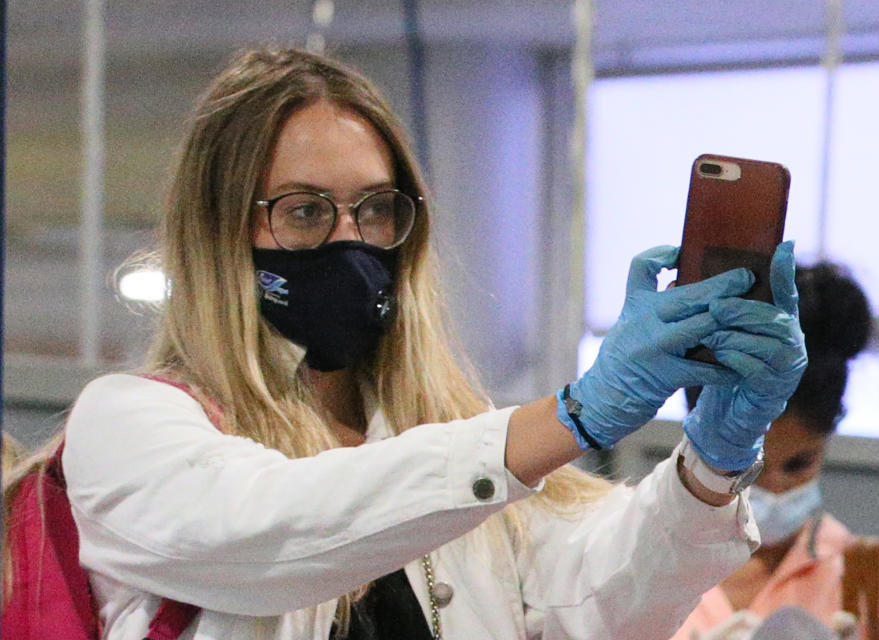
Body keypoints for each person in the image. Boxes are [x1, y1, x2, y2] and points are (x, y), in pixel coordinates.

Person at [2, 48, 807, 640]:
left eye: (377, 209)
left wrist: (712, 461)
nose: (353, 241)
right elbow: (276, 527)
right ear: (220, 232)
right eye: (306, 211)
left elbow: (600, 601)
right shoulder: (131, 425)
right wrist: (575, 415)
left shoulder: (446, 446)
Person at [670, 263, 879, 640]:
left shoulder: (876, 575)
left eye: (797, 464)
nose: (773, 488)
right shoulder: (648, 568)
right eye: (746, 465)